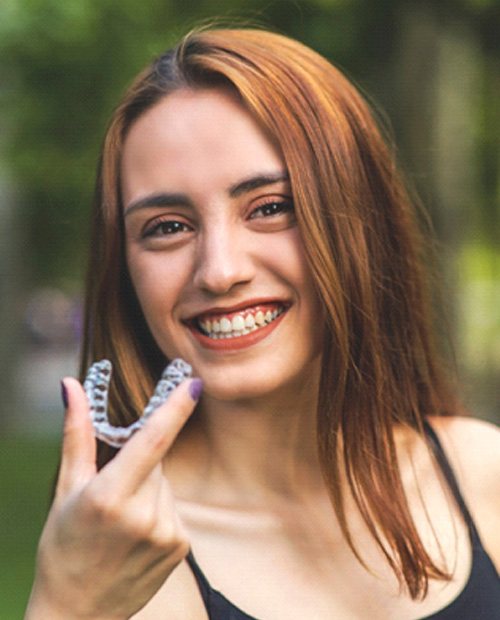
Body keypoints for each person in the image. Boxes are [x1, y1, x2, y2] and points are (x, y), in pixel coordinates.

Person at [25, 27, 499, 619]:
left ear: (362, 221)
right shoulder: (130, 560)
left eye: (271, 208)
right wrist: (68, 605)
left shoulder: (486, 476)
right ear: (123, 271)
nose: (220, 271)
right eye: (168, 226)